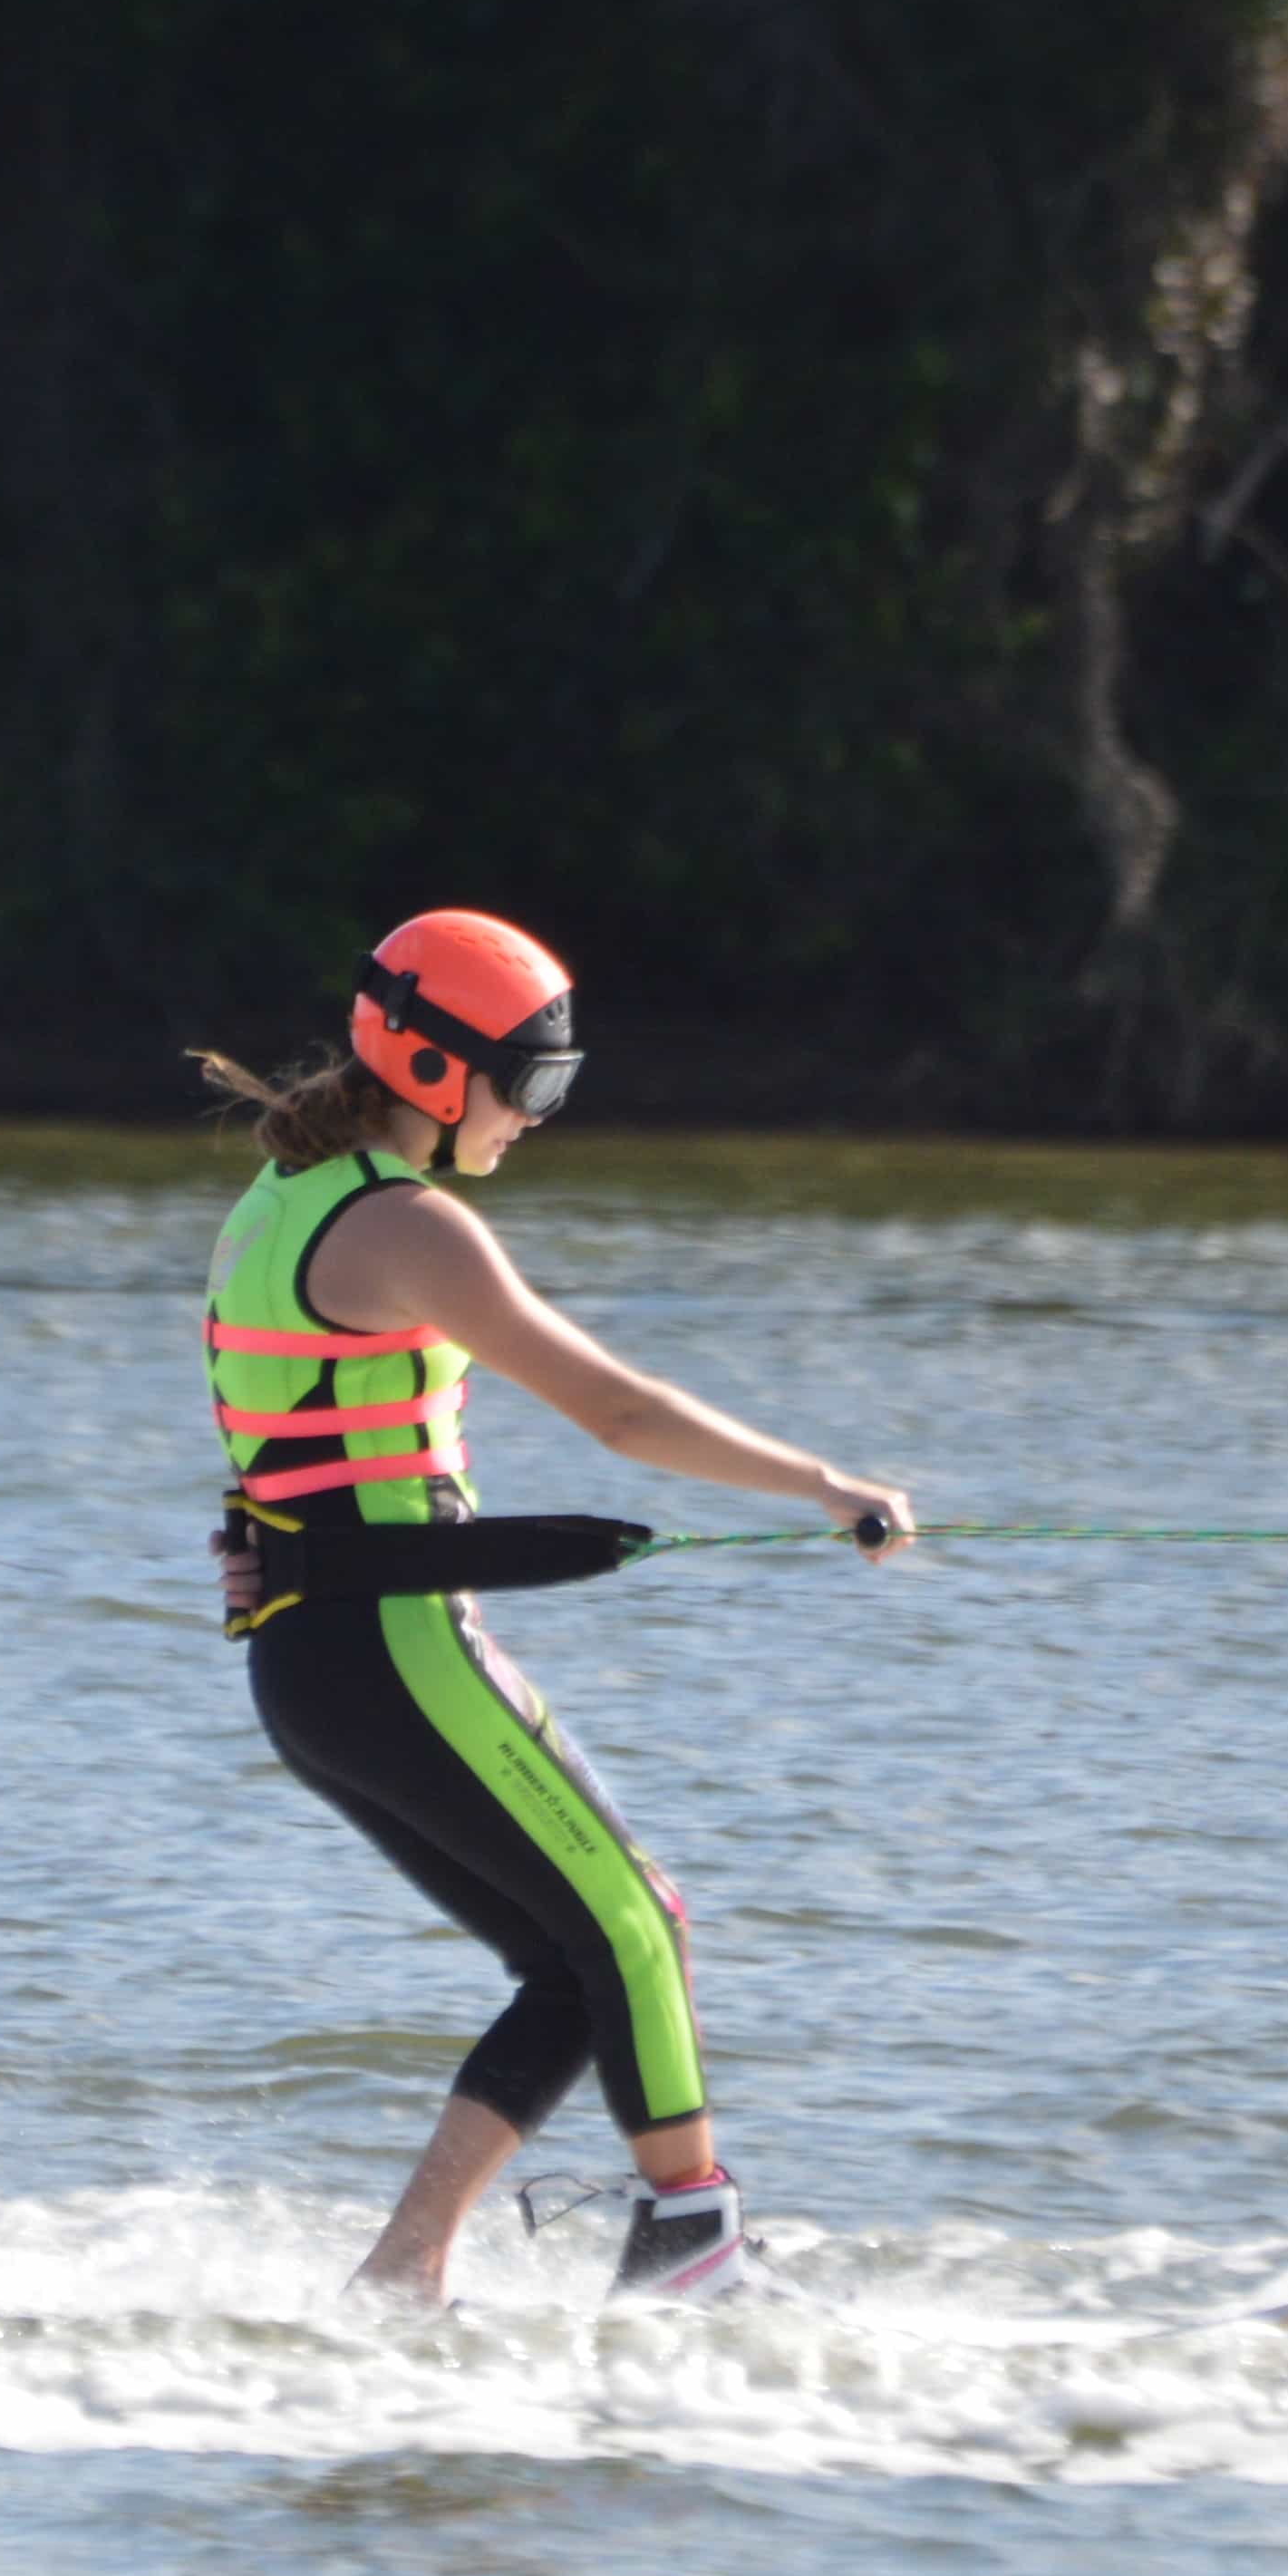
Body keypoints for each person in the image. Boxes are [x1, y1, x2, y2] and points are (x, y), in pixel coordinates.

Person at [198, 909, 908, 2307]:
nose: (539, 1117)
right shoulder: (405, 1225)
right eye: (531, 1085)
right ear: (432, 1065)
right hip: (397, 1650)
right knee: (640, 1920)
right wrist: (828, 1484)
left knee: (575, 1967)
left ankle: (404, 2273)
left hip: (312, 1664)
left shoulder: (275, 1202)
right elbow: (620, 1412)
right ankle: (691, 2242)